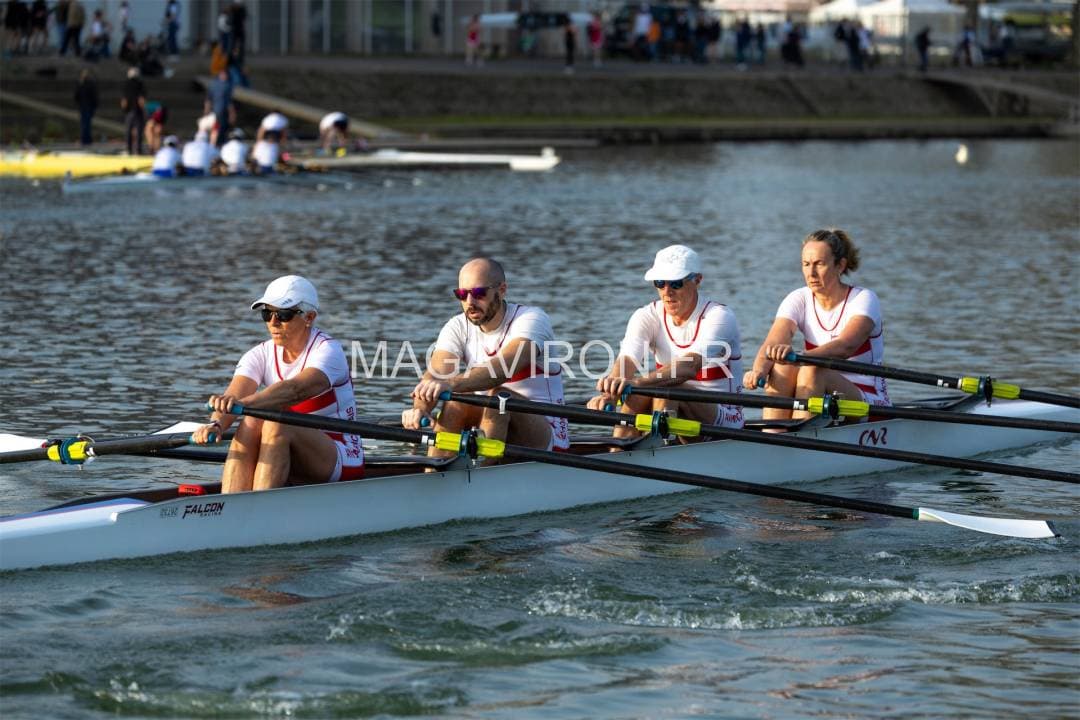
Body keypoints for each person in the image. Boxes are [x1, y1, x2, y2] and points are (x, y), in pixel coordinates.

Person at [194, 275, 364, 493]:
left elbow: (294, 390)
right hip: (287, 446)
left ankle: (260, 504)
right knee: (254, 419)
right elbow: (235, 393)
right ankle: (232, 500)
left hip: (340, 453)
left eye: (284, 315)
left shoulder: (328, 351)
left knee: (275, 420)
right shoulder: (260, 354)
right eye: (267, 314)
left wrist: (243, 405)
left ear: (309, 317)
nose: (273, 322)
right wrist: (216, 424)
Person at [402, 257, 570, 459]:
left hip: (545, 435)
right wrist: (420, 409)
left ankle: (482, 472)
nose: (470, 302)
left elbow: (500, 370)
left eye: (479, 293)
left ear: (502, 290)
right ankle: (435, 470)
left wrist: (450, 384)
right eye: (462, 294)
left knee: (499, 399)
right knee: (456, 402)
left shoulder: (532, 320)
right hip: (489, 428)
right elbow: (436, 375)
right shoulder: (457, 326)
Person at [588, 245, 744, 441]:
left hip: (725, 419)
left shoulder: (719, 317)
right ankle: (620, 448)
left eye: (676, 283)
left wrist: (635, 383)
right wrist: (610, 393)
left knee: (665, 387)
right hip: (673, 408)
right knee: (638, 393)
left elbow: (688, 367)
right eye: (660, 283)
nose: (667, 292)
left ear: (697, 280)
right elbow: (627, 359)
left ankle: (660, 446)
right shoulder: (647, 316)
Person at [743, 229, 889, 422]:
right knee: (781, 366)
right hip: (822, 394)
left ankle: (799, 434)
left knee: (811, 369)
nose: (811, 273)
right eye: (806, 264)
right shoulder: (799, 298)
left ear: (840, 265)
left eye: (819, 264)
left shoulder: (863, 299)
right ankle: (773, 432)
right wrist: (759, 371)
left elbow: (845, 347)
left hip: (867, 399)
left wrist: (800, 358)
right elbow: (773, 343)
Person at [205, 68, 235, 147]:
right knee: (216, 129)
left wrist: (231, 113)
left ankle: (217, 143)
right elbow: (209, 98)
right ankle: (215, 143)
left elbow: (229, 101)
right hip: (216, 111)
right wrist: (207, 110)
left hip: (223, 111)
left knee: (221, 129)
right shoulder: (216, 84)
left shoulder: (228, 85)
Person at [120, 66, 146, 155]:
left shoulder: (126, 84)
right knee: (139, 131)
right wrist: (143, 109)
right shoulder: (140, 83)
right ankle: (138, 149)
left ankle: (128, 149)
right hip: (137, 110)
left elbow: (124, 100)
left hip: (129, 110)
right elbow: (141, 99)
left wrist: (124, 109)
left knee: (128, 130)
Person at [73, 68, 98, 146]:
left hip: (88, 107)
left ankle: (86, 140)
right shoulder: (81, 84)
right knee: (85, 124)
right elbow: (76, 96)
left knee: (86, 124)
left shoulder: (90, 84)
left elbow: (94, 96)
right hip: (83, 106)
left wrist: (94, 106)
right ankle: (86, 139)